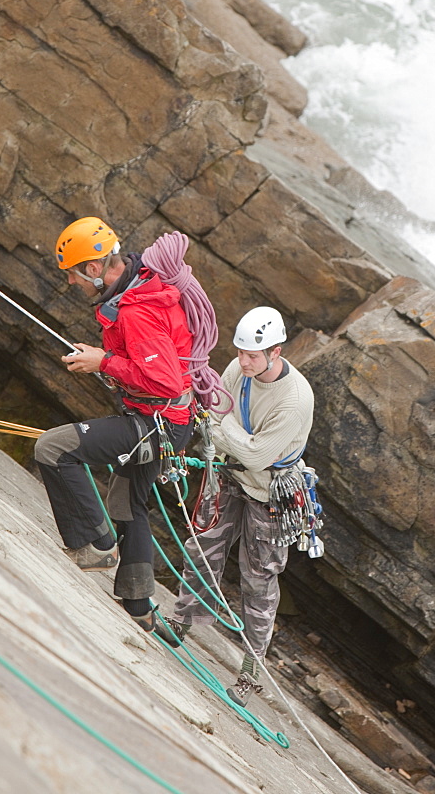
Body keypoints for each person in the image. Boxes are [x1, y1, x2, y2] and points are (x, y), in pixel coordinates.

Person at [34, 216, 196, 631]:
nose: (71, 284)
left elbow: (163, 382)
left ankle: (96, 544)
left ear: (93, 269)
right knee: (127, 503)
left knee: (52, 449)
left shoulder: (137, 311)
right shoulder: (139, 289)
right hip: (169, 422)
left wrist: (102, 362)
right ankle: (140, 607)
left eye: (72, 275)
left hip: (157, 422)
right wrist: (102, 358)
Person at [155, 306, 315, 707]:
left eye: (252, 355)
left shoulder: (294, 401)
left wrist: (223, 431)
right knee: (203, 544)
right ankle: (184, 621)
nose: (243, 361)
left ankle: (250, 670)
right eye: (240, 352)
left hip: (271, 492)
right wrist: (226, 434)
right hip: (229, 473)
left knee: (258, 580)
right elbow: (214, 418)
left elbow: (257, 454)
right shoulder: (238, 371)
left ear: (276, 352)